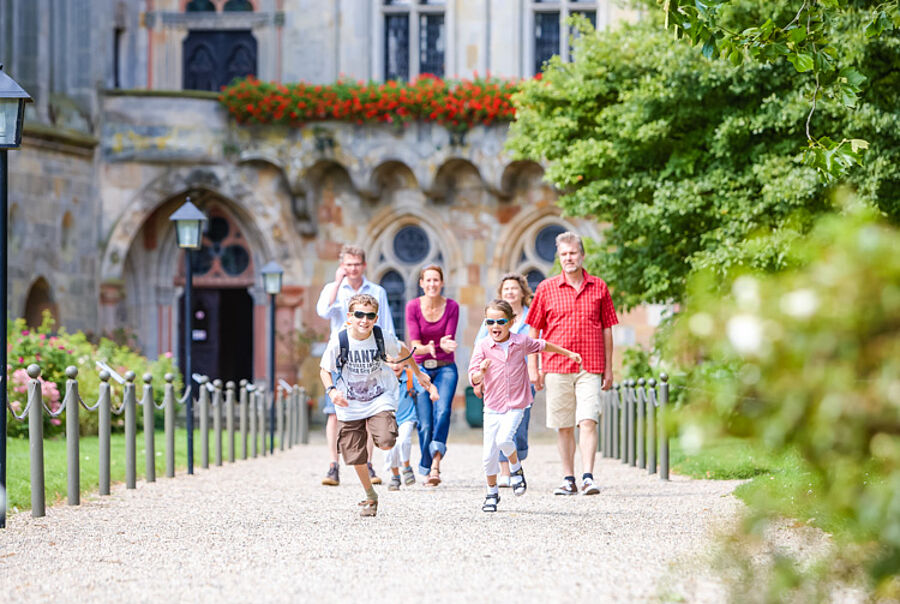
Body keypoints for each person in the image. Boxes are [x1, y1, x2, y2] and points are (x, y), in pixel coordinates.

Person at [319, 294, 436, 517]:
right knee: (355, 455)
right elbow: (325, 369)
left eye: (370, 315)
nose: (364, 320)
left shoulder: (382, 336)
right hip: (348, 402)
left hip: (379, 396)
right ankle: (370, 495)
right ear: (349, 317)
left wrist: (418, 374)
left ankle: (377, 429)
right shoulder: (339, 340)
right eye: (359, 315)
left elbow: (402, 351)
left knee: (386, 440)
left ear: (376, 318)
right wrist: (332, 391)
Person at [527, 231, 618, 496]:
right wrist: (534, 368)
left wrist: (609, 369)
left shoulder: (599, 287)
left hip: (591, 364)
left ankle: (588, 476)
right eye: (564, 254)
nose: (569, 258)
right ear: (559, 257)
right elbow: (533, 332)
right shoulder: (546, 289)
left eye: (573, 253)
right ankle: (568, 478)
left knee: (588, 420)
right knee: (564, 425)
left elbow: (607, 329)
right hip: (556, 365)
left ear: (582, 255)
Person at [470, 299, 582, 512]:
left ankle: (515, 468)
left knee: (504, 440)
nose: (495, 326)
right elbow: (473, 378)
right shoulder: (483, 345)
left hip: (516, 403)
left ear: (511, 322)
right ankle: (492, 493)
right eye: (490, 322)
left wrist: (569, 354)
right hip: (492, 406)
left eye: (500, 321)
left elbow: (543, 345)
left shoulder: (520, 342)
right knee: (488, 455)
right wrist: (481, 373)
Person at [316, 244, 395, 487]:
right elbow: (323, 312)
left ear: (364, 265)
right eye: (348, 264)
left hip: (370, 353)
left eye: (356, 264)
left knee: (370, 407)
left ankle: (368, 462)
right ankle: (333, 465)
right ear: (342, 266)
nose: (352, 269)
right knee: (334, 411)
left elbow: (386, 324)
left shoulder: (377, 290)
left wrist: (389, 356)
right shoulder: (333, 288)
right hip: (340, 355)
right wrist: (338, 284)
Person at [473, 273, 534, 487]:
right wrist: (478, 378)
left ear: (522, 292)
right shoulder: (491, 320)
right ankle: (506, 472)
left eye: (514, 288)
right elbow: (479, 346)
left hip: (524, 380)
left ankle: (517, 464)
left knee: (520, 429)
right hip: (496, 381)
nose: (510, 292)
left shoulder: (530, 317)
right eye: (506, 288)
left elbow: (538, 345)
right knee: (500, 431)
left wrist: (539, 371)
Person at [405, 264, 458, 486]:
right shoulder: (412, 307)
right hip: (421, 369)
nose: (432, 284)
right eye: (428, 280)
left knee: (443, 411)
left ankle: (435, 465)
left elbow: (449, 343)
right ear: (421, 283)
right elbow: (414, 346)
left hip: (446, 367)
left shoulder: (452, 306)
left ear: (442, 282)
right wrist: (434, 346)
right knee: (425, 423)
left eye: (436, 280)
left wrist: (439, 345)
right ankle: (425, 465)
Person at [383, 362, 438, 490]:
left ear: (404, 362)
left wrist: (433, 391)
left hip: (407, 418)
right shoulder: (382, 376)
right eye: (391, 362)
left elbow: (426, 385)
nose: (395, 365)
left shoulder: (410, 375)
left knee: (403, 441)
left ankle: (406, 467)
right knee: (389, 448)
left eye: (398, 362)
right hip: (388, 419)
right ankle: (395, 476)